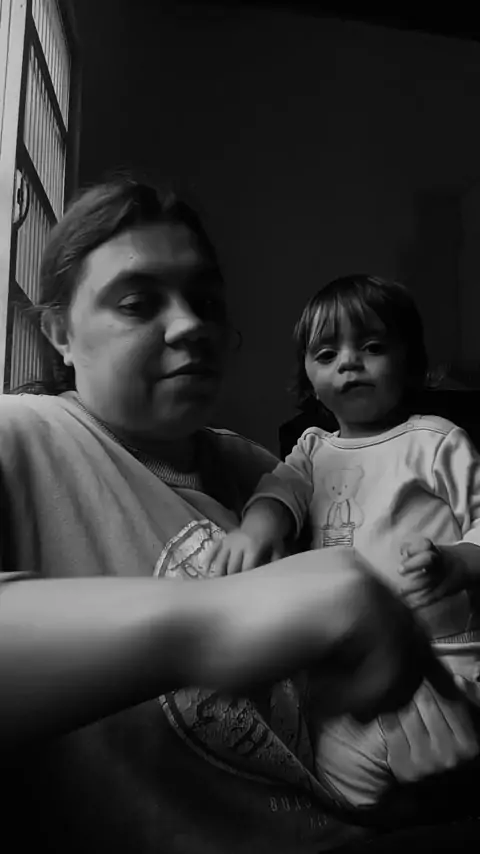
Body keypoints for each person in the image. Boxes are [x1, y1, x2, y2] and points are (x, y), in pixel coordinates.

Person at [0, 182, 448, 854]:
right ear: (59, 332)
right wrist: (211, 625)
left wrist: (401, 722)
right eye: (137, 303)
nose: (191, 326)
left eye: (206, 302)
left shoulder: (259, 471)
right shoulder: (19, 436)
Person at [204, 275, 480, 808]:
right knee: (341, 775)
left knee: (432, 755)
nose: (349, 363)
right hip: (348, 669)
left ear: (411, 362)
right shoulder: (312, 450)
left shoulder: (436, 440)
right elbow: (278, 493)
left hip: (444, 659)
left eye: (372, 347)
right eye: (327, 354)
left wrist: (456, 562)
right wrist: (256, 529)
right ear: (309, 379)